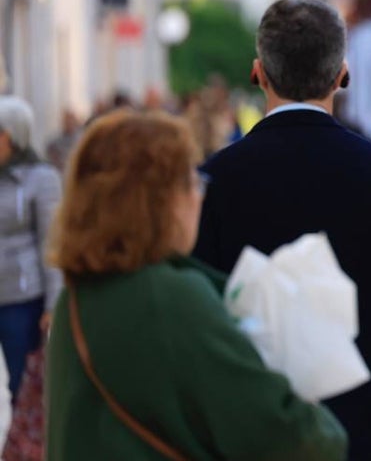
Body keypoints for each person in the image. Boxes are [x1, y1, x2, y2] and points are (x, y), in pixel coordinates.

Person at [193, 0, 371, 461]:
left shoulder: (212, 184)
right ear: (343, 74)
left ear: (258, 73)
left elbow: (196, 327)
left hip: (252, 441)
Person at [44, 110, 347, 460]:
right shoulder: (168, 297)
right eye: (192, 181)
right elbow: (295, 437)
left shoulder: (74, 299)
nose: (198, 196)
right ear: (158, 202)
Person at [0, 96, 62, 399]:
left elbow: (51, 243)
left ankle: (27, 447)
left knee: (22, 386)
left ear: (12, 137)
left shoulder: (42, 178)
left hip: (21, 299)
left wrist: (53, 303)